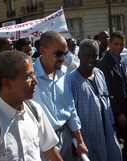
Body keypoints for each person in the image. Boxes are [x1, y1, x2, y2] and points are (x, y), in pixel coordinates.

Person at [0, 50, 63, 161]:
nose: (35, 81)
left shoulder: (35, 110)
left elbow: (50, 149)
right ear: (6, 83)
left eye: (34, 75)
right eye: (28, 76)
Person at [32, 31, 88, 161]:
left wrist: (80, 141)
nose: (63, 58)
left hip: (66, 138)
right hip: (42, 145)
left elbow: (70, 108)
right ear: (42, 50)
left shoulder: (64, 74)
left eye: (65, 53)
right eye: (58, 53)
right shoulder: (30, 78)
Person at [70, 39, 122, 161]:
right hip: (88, 137)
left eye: (95, 56)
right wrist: (77, 141)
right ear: (79, 56)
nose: (91, 60)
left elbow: (106, 99)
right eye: (86, 56)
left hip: (108, 131)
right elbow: (71, 113)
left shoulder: (99, 73)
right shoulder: (72, 80)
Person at [97, 31, 127, 161]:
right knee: (121, 143)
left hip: (126, 106)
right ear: (109, 43)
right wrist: (118, 113)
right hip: (115, 111)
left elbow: (125, 84)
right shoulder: (103, 64)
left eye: (121, 44)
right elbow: (107, 92)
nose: (118, 47)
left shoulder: (122, 60)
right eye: (115, 44)